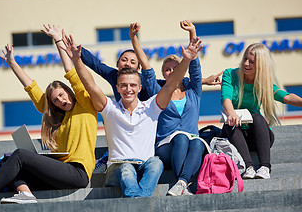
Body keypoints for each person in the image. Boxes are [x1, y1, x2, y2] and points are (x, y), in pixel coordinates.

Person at [0, 25, 97, 207]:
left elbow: (71, 73)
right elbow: (32, 89)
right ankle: (26, 195)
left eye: (62, 94)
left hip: (77, 172)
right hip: (60, 172)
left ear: (69, 90)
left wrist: (57, 39)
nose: (60, 100)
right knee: (7, 166)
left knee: (20, 155)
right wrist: (12, 63)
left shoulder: (85, 105)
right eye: (56, 100)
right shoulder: (59, 118)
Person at [61, 30, 203, 197]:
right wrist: (77, 60)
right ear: (118, 88)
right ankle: (140, 201)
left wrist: (186, 60)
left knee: (156, 163)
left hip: (144, 167)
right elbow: (91, 85)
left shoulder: (151, 107)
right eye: (124, 85)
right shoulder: (110, 109)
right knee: (127, 168)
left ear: (140, 88)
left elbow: (170, 85)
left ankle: (136, 200)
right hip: (118, 169)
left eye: (133, 85)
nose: (128, 89)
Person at [129, 21, 211, 196]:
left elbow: (194, 66)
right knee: (181, 137)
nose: (171, 71)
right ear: (163, 74)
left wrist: (192, 32)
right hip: (165, 147)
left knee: (197, 141)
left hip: (191, 146)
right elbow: (145, 65)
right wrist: (133, 38)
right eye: (167, 69)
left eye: (175, 68)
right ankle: (182, 183)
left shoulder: (193, 90)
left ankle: (182, 183)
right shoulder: (157, 92)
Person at [221, 43, 302, 179]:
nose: (246, 63)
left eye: (251, 62)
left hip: (257, 136)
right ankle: (249, 167)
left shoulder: (263, 82)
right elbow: (226, 98)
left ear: (261, 65)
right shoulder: (229, 74)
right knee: (229, 125)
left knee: (258, 117)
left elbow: (286, 97)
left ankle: (265, 167)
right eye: (245, 59)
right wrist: (232, 113)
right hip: (236, 136)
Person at [80, 28, 220, 102]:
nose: (127, 63)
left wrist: (205, 81)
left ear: (139, 69)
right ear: (117, 64)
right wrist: (74, 49)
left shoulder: (146, 81)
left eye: (133, 61)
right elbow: (94, 63)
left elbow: (172, 82)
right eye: (124, 60)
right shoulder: (113, 75)